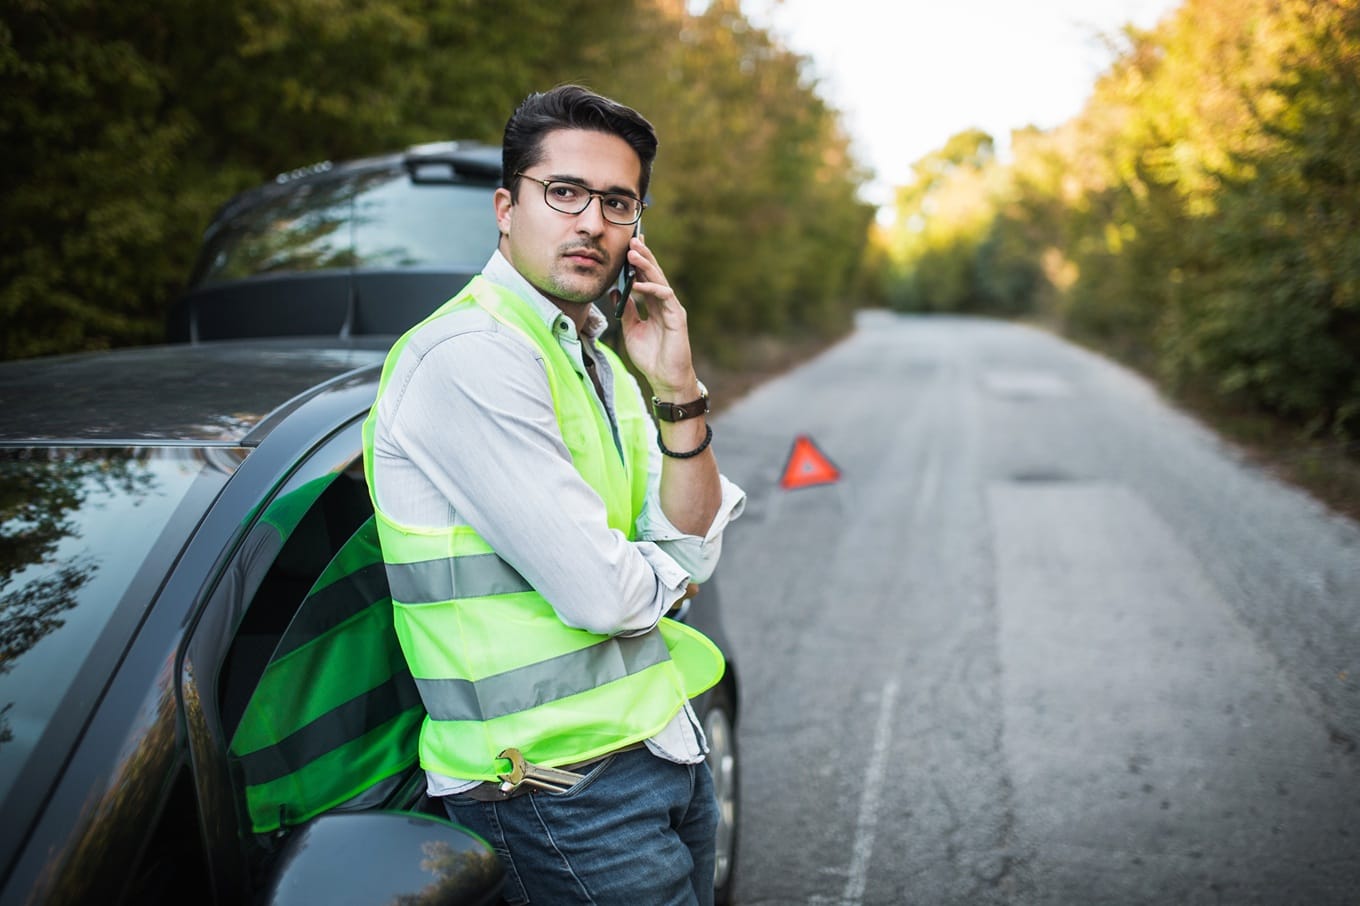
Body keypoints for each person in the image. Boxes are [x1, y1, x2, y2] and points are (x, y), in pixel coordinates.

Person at [362, 84, 746, 905]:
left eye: (618, 202)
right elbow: (609, 591)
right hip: (552, 791)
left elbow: (694, 532)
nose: (591, 222)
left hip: (658, 749)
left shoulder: (598, 360)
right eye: (564, 192)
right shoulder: (468, 356)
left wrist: (676, 381)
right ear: (506, 207)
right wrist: (667, 565)